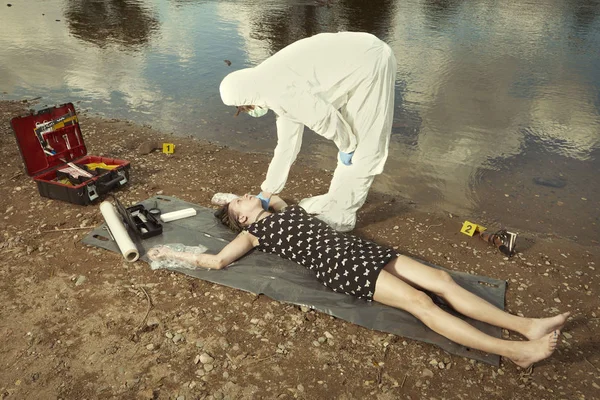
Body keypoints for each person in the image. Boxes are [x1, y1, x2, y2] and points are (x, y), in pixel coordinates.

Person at [148, 193, 569, 369]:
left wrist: (245, 198)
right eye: (238, 200)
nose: (244, 195)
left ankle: (525, 325)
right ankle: (516, 351)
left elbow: (271, 194)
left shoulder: (279, 207)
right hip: (340, 266)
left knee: (440, 278)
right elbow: (220, 261)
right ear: (239, 217)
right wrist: (173, 253)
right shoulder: (251, 232)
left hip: (358, 249)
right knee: (421, 303)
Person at [219, 31, 397, 232]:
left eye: (247, 107)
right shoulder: (267, 85)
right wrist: (267, 192)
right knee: (349, 141)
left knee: (364, 146)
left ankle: (343, 215)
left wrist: (347, 145)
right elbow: (287, 145)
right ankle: (336, 199)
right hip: (353, 61)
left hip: (369, 61)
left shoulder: (278, 89)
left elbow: (324, 118)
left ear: (247, 96)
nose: (253, 110)